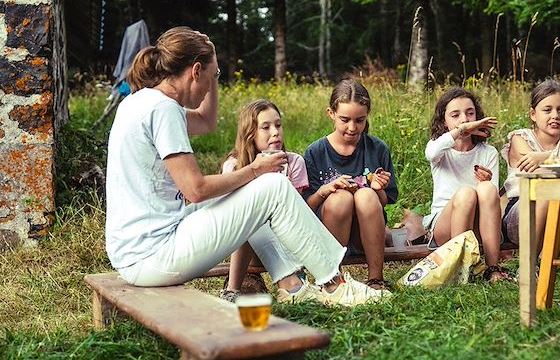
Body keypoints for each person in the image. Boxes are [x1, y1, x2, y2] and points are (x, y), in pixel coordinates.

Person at [104, 27, 385, 307]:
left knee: (250, 193)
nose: (210, 86)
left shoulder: (140, 101)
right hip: (153, 255)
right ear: (195, 71)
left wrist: (211, 71)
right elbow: (196, 189)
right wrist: (255, 170)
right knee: (271, 186)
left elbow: (206, 121)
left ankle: (293, 285)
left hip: (136, 251)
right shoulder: (163, 110)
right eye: (212, 76)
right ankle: (335, 285)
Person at [220, 99, 330, 304]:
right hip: (247, 246)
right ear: (250, 133)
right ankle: (283, 283)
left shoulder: (294, 162)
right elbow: (232, 217)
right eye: (266, 127)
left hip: (286, 240)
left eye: (278, 125)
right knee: (250, 210)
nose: (275, 132)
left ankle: (292, 281)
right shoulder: (235, 166)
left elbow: (297, 218)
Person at [303, 79, 398, 292]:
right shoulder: (316, 152)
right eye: (345, 119)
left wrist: (378, 189)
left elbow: (387, 200)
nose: (352, 128)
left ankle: (376, 279)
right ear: (331, 113)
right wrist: (324, 190)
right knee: (340, 198)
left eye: (360, 120)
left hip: (367, 233)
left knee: (365, 196)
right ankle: (331, 280)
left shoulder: (377, 149)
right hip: (329, 230)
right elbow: (305, 206)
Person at [424, 87, 511, 282]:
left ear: (477, 117)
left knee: (488, 189)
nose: (464, 119)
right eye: (455, 115)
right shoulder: (439, 148)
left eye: (470, 113)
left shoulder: (488, 153)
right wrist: (461, 130)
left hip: (479, 226)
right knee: (465, 194)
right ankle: (459, 268)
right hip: (444, 227)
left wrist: (484, 183)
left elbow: (492, 201)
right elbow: (430, 154)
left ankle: (492, 268)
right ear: (444, 123)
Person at [501, 79, 560, 251]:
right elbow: (539, 173)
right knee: (545, 189)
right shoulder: (520, 139)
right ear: (533, 115)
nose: (555, 116)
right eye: (547, 110)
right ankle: (532, 262)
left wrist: (544, 156)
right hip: (523, 212)